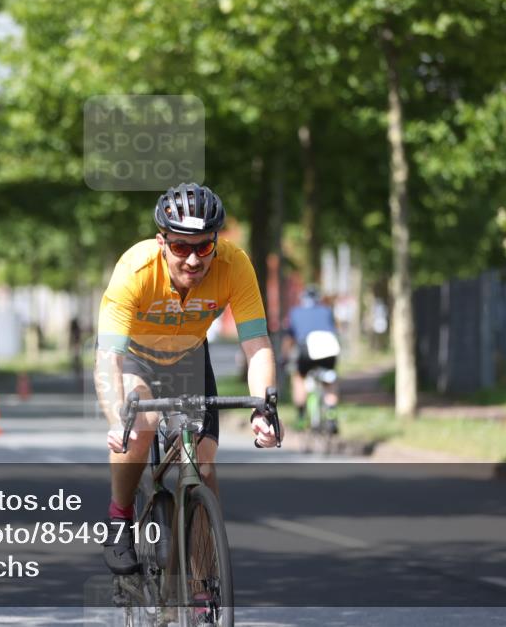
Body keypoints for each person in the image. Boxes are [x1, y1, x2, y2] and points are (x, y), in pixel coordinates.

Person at [95, 182, 283, 575]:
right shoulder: (135, 270)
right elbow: (108, 356)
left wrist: (263, 409)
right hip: (137, 360)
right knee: (141, 424)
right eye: (181, 247)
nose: (193, 259)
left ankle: (196, 586)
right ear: (162, 242)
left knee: (203, 466)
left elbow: (257, 344)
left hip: (190, 359)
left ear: (216, 242)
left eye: (203, 247)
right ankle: (119, 518)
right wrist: (117, 420)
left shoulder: (235, 265)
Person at [282, 285, 341, 430]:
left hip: (307, 347)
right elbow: (334, 330)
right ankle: (331, 413)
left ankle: (301, 416)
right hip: (329, 346)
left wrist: (285, 358)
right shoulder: (327, 310)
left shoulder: (295, 312)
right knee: (329, 379)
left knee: (299, 377)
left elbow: (289, 339)